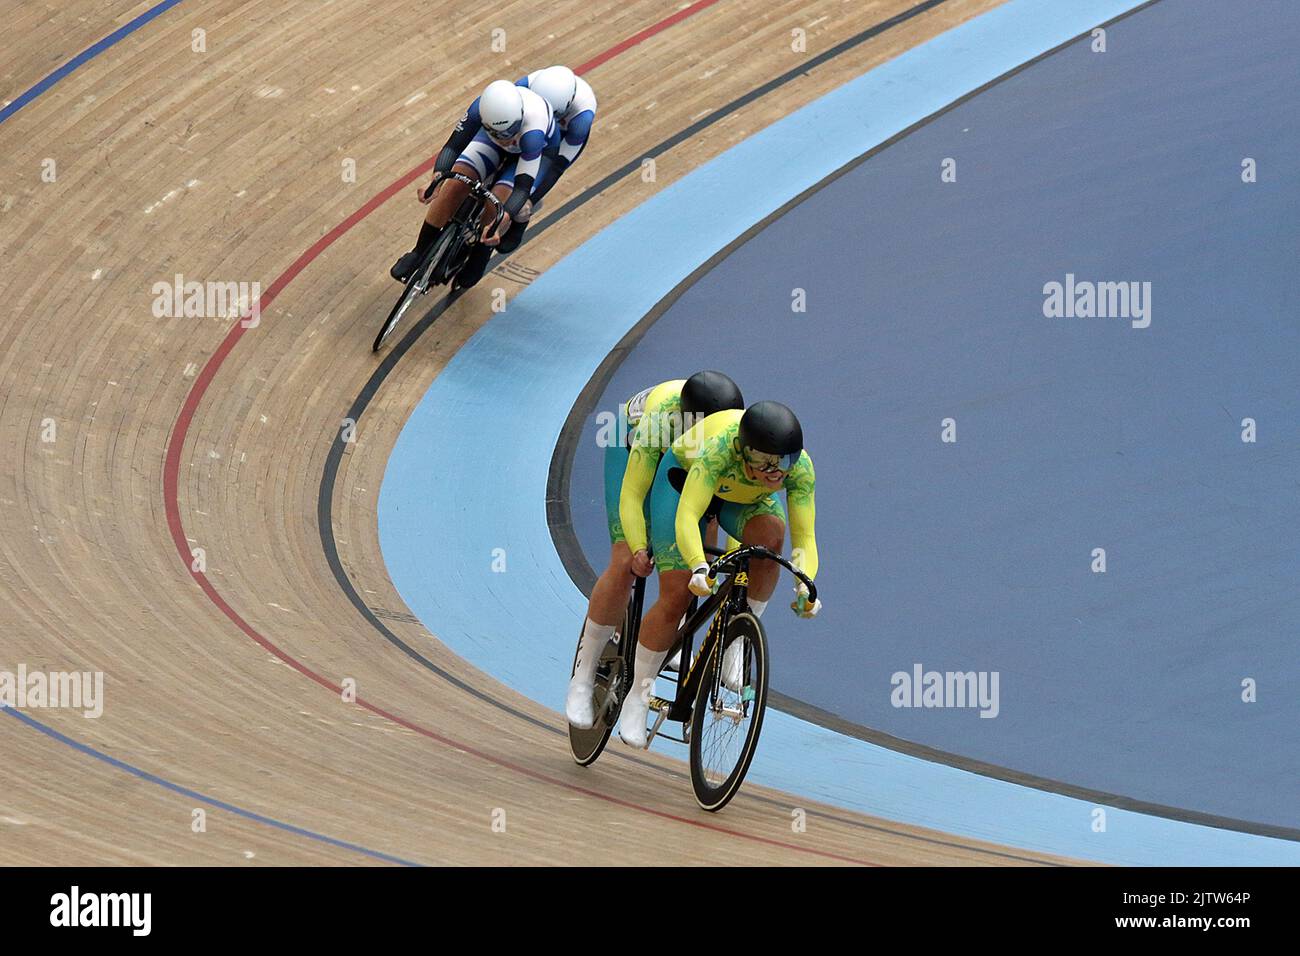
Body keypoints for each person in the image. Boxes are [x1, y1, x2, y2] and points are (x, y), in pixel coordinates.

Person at [616, 401, 822, 748]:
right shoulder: (718, 451)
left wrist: (805, 583)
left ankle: (735, 643)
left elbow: (805, 538)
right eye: (766, 463)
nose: (776, 473)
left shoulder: (799, 468)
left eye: (783, 462)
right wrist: (698, 564)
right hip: (683, 482)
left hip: (743, 497)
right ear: (743, 452)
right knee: (678, 591)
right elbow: (687, 517)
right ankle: (637, 695)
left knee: (771, 541)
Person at [565, 371, 745, 729]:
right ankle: (583, 678)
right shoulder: (660, 422)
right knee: (623, 564)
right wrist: (635, 548)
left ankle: (674, 625)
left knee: (704, 534)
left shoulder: (735, 436)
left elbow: (735, 500)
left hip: (686, 466)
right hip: (631, 448)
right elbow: (632, 495)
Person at [390, 79, 556, 290]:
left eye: (508, 132)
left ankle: (480, 256)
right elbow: (453, 147)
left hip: (534, 152)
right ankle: (418, 251)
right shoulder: (479, 108)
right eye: (499, 133)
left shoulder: (533, 131)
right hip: (489, 141)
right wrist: (436, 180)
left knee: (497, 202)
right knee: (454, 183)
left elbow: (522, 187)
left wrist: (502, 219)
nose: (505, 139)